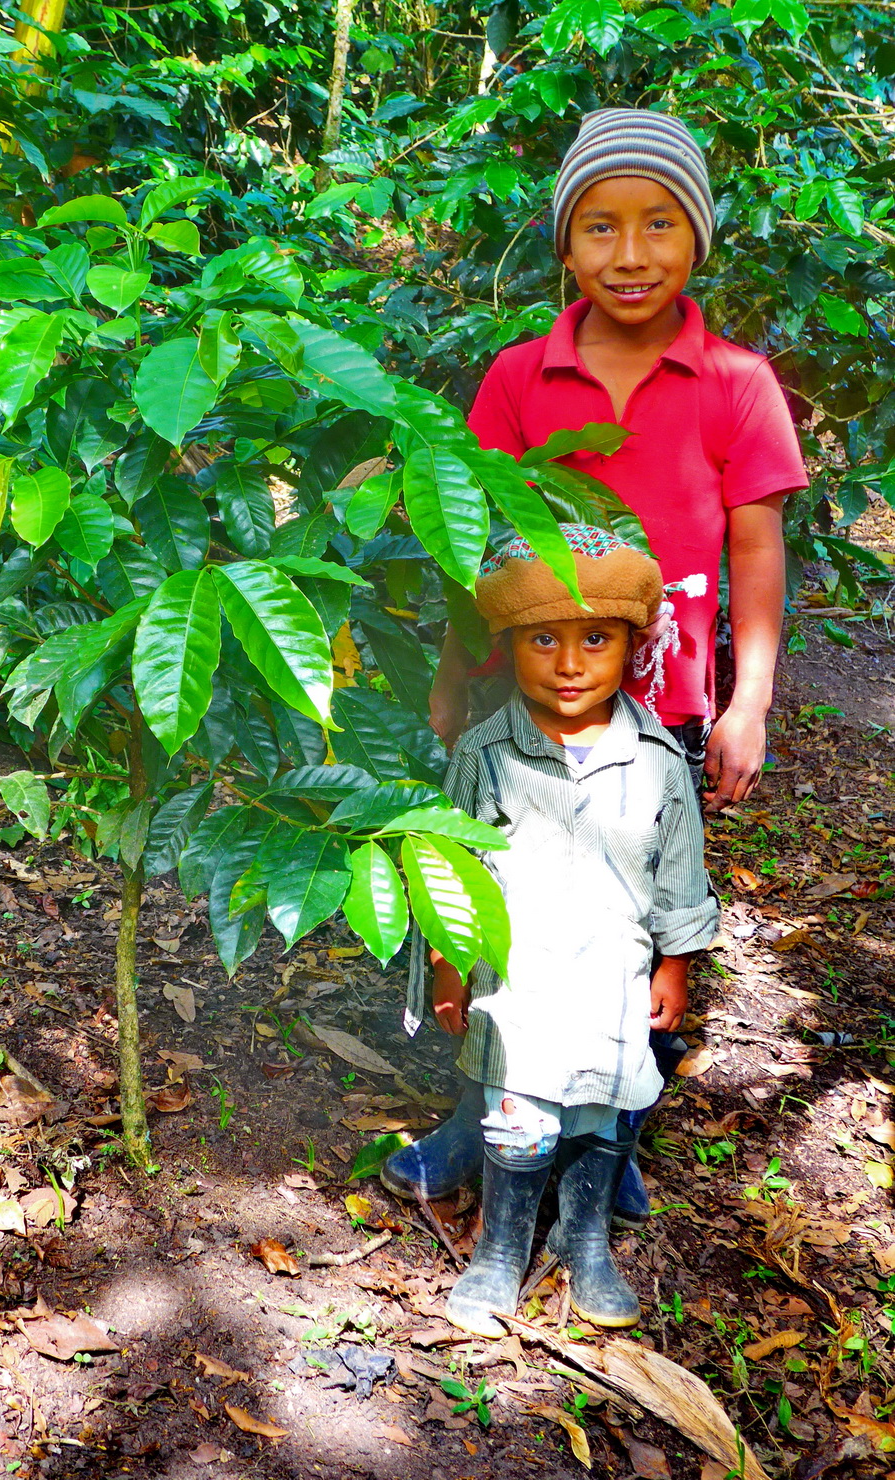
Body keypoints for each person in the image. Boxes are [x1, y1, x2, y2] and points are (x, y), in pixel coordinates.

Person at [382, 106, 807, 1214]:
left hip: (655, 707)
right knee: (500, 903)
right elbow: (474, 540)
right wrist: (452, 668)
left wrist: (749, 701)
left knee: (636, 908)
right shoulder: (523, 377)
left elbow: (759, 552)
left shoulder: (736, 382)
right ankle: (480, 1114)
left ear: (696, 238)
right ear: (565, 246)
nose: (630, 254)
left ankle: (606, 1136)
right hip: (521, 693)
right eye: (602, 227)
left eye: (658, 224)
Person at [418, 526, 718, 1335]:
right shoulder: (485, 754)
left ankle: (587, 1242)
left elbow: (679, 872)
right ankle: (501, 1249)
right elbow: (450, 865)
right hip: (521, 980)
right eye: (543, 639)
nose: (570, 663)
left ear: (630, 643)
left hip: (612, 977)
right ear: (511, 643)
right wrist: (450, 961)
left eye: (597, 639)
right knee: (517, 1113)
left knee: (601, 1108)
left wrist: (676, 964)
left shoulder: (657, 759)